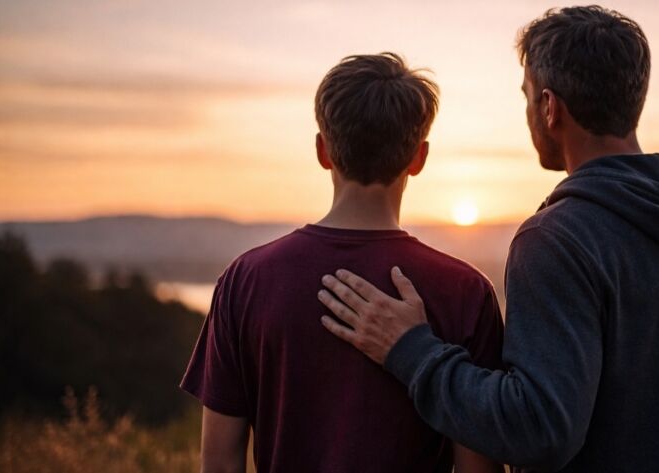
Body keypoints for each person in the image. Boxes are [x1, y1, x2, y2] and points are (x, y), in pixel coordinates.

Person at [318, 6, 659, 472]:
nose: (529, 108)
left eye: (528, 94)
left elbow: (539, 430)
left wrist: (411, 350)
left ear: (549, 107)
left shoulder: (560, 240)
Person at [180, 53, 505, 473]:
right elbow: (478, 468)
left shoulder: (246, 281)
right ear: (419, 158)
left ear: (323, 150)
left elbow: (220, 462)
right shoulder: (466, 292)